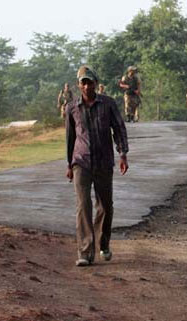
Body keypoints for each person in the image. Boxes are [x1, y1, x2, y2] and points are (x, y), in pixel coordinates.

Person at [66, 65, 129, 266]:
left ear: (95, 83)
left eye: (89, 82)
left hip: (103, 161)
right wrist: (69, 164)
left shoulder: (108, 104)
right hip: (81, 162)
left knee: (105, 206)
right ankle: (85, 251)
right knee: (83, 205)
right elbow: (70, 137)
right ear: (79, 85)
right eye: (83, 82)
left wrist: (123, 154)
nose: (86, 86)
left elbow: (119, 128)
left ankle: (103, 243)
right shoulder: (72, 108)